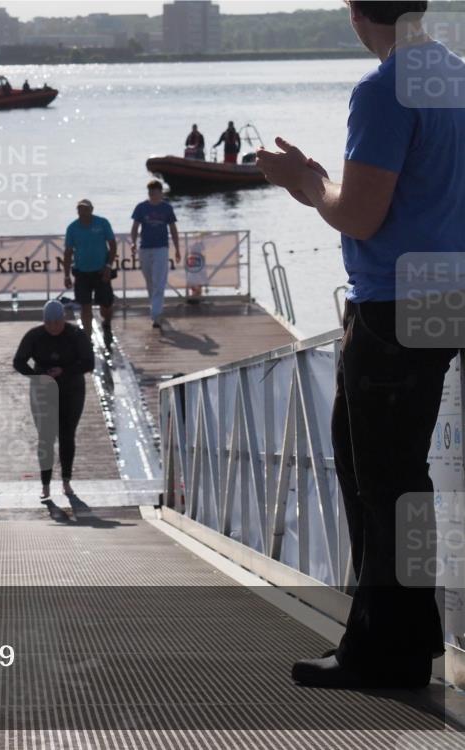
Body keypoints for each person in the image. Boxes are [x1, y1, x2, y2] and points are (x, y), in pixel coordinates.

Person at [256, 0, 463, 690]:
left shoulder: (383, 89)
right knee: (401, 476)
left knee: (379, 478)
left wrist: (307, 183)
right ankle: (406, 638)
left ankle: (385, 652)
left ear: (354, 13)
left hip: (393, 305)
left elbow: (362, 216)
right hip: (446, 290)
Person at [12, 300, 94, 500]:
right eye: (49, 323)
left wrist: (64, 371)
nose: (53, 327)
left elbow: (89, 362)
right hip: (43, 389)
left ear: (63, 319)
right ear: (44, 321)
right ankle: (45, 484)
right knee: (45, 437)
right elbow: (18, 361)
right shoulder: (35, 335)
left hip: (71, 388)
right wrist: (36, 376)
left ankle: (66, 481)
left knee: (67, 435)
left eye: (57, 322)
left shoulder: (76, 335)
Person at [63, 199, 117, 348]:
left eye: (86, 209)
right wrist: (66, 275)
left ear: (92, 209)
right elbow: (68, 252)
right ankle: (87, 339)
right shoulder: (72, 228)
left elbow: (112, 245)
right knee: (85, 306)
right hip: (82, 273)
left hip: (101, 272)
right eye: (80, 209)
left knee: (106, 305)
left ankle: (106, 324)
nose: (83, 212)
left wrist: (108, 266)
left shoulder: (102, 223)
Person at [130, 181, 181, 328]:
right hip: (145, 247)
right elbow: (135, 227)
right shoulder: (141, 207)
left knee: (159, 280)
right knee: (150, 281)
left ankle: (156, 314)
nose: (152, 195)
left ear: (160, 192)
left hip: (161, 248)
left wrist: (177, 248)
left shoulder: (167, 208)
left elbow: (173, 229)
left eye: (155, 192)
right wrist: (133, 243)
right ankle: (155, 307)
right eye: (150, 192)